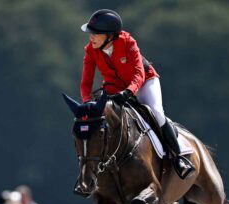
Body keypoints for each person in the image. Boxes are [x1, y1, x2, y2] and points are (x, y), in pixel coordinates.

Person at [79, 9, 195, 179]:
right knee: (101, 118)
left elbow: (138, 74)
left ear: (110, 36)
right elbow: (86, 82)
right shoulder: (91, 50)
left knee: (156, 111)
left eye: (96, 33)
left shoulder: (128, 42)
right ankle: (95, 166)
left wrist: (128, 92)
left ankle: (179, 157)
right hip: (114, 88)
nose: (91, 37)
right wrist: (87, 103)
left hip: (144, 82)